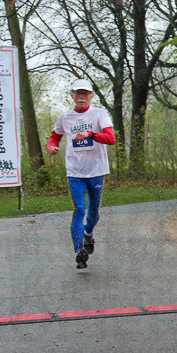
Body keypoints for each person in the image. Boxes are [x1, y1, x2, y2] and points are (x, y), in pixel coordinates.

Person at [47, 79, 116, 269]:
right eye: (78, 93)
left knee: (93, 214)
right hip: (75, 171)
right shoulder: (65, 117)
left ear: (90, 96)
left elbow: (111, 139)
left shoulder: (99, 115)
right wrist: (52, 146)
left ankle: (88, 235)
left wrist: (91, 135)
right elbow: (55, 136)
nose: (81, 97)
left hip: (96, 170)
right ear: (72, 96)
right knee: (79, 209)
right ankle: (79, 251)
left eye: (85, 94)